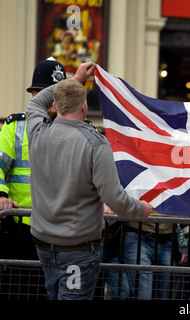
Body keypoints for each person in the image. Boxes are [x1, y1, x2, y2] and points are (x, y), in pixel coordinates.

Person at [25, 61, 153, 300]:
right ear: (84, 106)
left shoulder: (36, 132)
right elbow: (115, 199)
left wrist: (75, 79)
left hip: (43, 246)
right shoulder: (96, 144)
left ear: (56, 104)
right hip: (78, 251)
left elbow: (35, 103)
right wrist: (141, 209)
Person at [0, 58, 66, 260]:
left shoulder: (80, 127)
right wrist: (1, 197)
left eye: (60, 95)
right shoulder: (14, 126)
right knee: (18, 288)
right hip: (20, 225)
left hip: (63, 228)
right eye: (50, 94)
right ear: (35, 95)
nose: (56, 101)